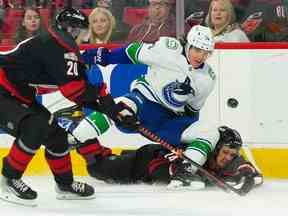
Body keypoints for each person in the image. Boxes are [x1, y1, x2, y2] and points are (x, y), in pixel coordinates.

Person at [0, 7, 135, 206]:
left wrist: (113, 110)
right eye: (81, 31)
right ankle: (9, 179)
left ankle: (65, 185)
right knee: (34, 126)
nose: (83, 37)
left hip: (18, 95)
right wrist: (112, 110)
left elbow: (83, 88)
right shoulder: (58, 46)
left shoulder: (58, 45)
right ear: (73, 30)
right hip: (2, 90)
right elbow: (75, 91)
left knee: (57, 136)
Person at [77, 25, 217, 180]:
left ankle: (183, 171)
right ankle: (75, 137)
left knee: (209, 132)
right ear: (188, 45)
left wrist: (182, 143)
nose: (201, 56)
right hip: (143, 104)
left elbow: (192, 111)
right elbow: (132, 52)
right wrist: (102, 56)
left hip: (167, 122)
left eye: (206, 53)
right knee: (119, 106)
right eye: (197, 50)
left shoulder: (207, 79)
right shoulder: (168, 51)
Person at [83, 126, 263, 195]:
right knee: (96, 168)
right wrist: (184, 174)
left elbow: (248, 168)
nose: (228, 158)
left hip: (149, 162)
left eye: (232, 154)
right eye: (225, 152)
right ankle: (82, 138)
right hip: (141, 164)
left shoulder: (229, 159)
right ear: (215, 149)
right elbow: (155, 168)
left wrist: (250, 177)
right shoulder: (192, 155)